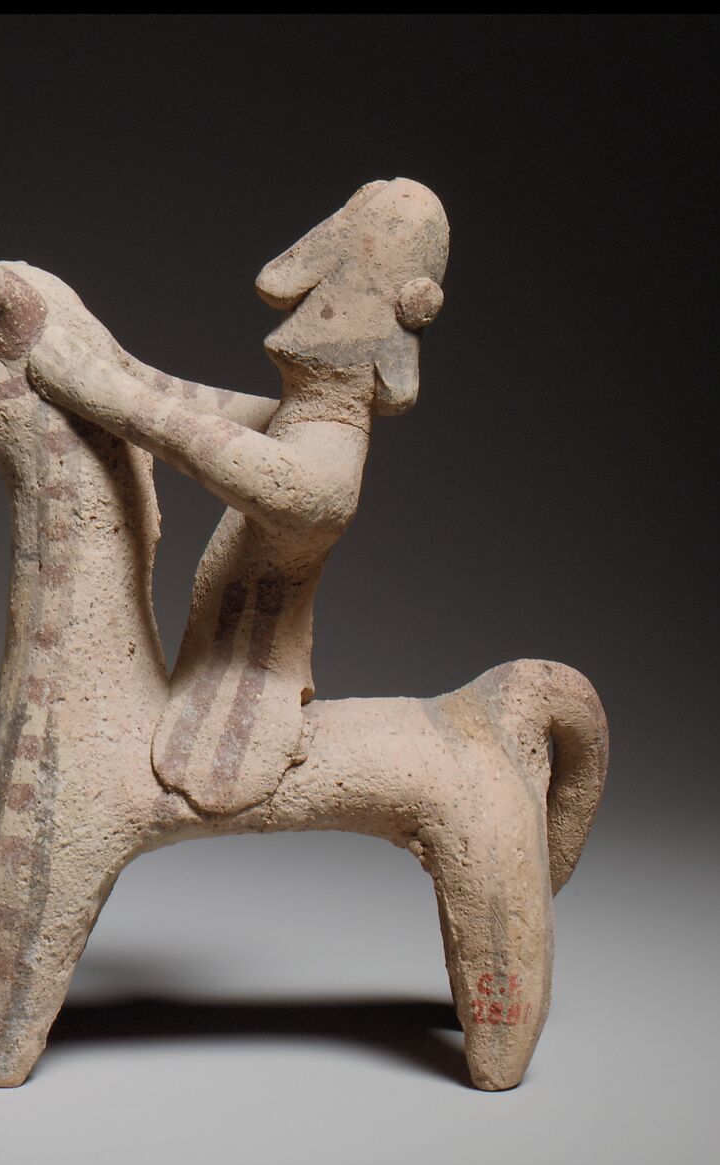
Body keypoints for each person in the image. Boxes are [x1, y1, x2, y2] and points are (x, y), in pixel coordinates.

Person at [25, 178, 449, 816]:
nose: (297, 304)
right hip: (206, 674)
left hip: (237, 703)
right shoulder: (298, 421)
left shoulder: (323, 472)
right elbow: (168, 393)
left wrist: (75, 375)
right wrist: (66, 325)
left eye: (331, 288)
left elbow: (180, 433)